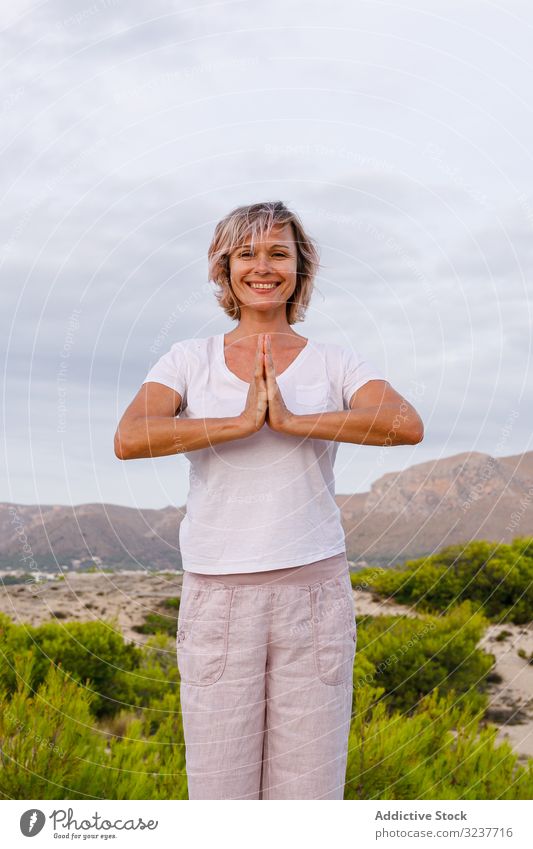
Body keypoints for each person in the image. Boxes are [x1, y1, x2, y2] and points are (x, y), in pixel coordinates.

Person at [114, 200, 424, 800]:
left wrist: (293, 419)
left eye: (279, 253)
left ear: (299, 268)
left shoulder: (335, 361)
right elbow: (131, 437)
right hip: (219, 599)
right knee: (222, 797)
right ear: (224, 268)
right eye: (247, 253)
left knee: (307, 799)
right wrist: (237, 422)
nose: (263, 265)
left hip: (314, 599)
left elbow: (405, 423)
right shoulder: (187, 359)